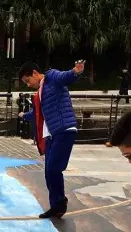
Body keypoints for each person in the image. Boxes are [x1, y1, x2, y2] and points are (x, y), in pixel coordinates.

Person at [18, 59, 86, 218]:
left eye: (28, 80)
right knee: (49, 171)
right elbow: (37, 114)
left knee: (54, 169)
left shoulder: (52, 77)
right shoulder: (41, 91)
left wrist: (76, 71)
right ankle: (55, 206)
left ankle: (60, 204)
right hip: (50, 135)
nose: (28, 85)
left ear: (35, 73)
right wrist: (24, 115)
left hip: (64, 130)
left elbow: (66, 77)